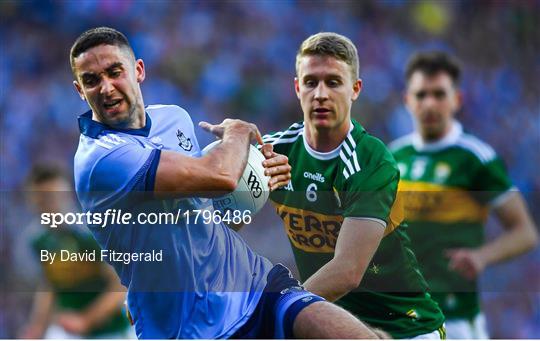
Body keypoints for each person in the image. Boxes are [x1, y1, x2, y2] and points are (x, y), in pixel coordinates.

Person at [70, 26, 382, 339]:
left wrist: (257, 184)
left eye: (114, 72)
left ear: (138, 70)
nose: (106, 87)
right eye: (92, 80)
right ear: (80, 90)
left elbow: (207, 217)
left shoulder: (172, 118)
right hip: (188, 329)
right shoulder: (101, 160)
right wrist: (238, 133)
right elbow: (221, 177)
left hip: (255, 288)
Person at [263, 32, 445, 339]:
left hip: (404, 328)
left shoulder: (371, 160)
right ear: (297, 88)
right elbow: (225, 225)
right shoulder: (273, 152)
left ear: (355, 89)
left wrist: (277, 312)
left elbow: (348, 271)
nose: (320, 93)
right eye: (310, 82)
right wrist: (234, 147)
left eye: (333, 82)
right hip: (328, 325)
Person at [389, 51, 539, 338]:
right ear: (408, 100)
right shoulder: (394, 155)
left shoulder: (474, 157)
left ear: (456, 99)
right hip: (401, 315)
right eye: (421, 95)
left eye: (439, 94)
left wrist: (482, 256)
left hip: (454, 317)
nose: (430, 104)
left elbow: (525, 232)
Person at [18, 164, 132, 339]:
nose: (49, 207)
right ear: (32, 202)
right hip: (70, 331)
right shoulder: (36, 240)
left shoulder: (92, 234)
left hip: (111, 331)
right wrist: (37, 327)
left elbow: (121, 286)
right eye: (41, 200)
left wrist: (86, 320)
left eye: (54, 199)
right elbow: (50, 285)